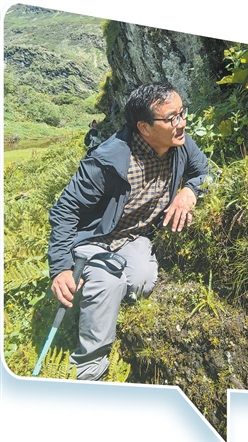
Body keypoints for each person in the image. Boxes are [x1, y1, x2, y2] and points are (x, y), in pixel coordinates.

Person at [48, 81, 209, 380]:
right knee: (107, 282)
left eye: (182, 113)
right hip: (95, 237)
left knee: (140, 282)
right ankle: (88, 370)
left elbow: (203, 171)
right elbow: (65, 211)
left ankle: (97, 296)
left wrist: (188, 192)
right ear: (144, 128)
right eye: (172, 117)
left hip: (134, 236)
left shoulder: (181, 144)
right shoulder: (106, 161)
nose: (182, 123)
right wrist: (60, 268)